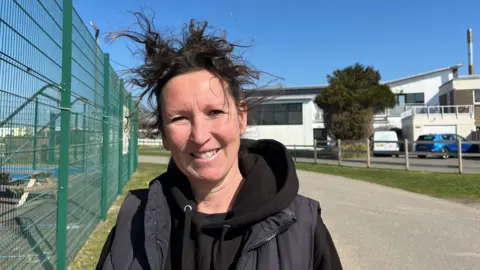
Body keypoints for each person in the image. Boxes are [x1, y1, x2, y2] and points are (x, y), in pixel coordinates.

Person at [96, 12, 342, 270]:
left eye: (214, 112)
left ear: (241, 118)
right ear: (165, 136)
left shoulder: (304, 224)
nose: (200, 136)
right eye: (179, 118)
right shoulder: (134, 219)